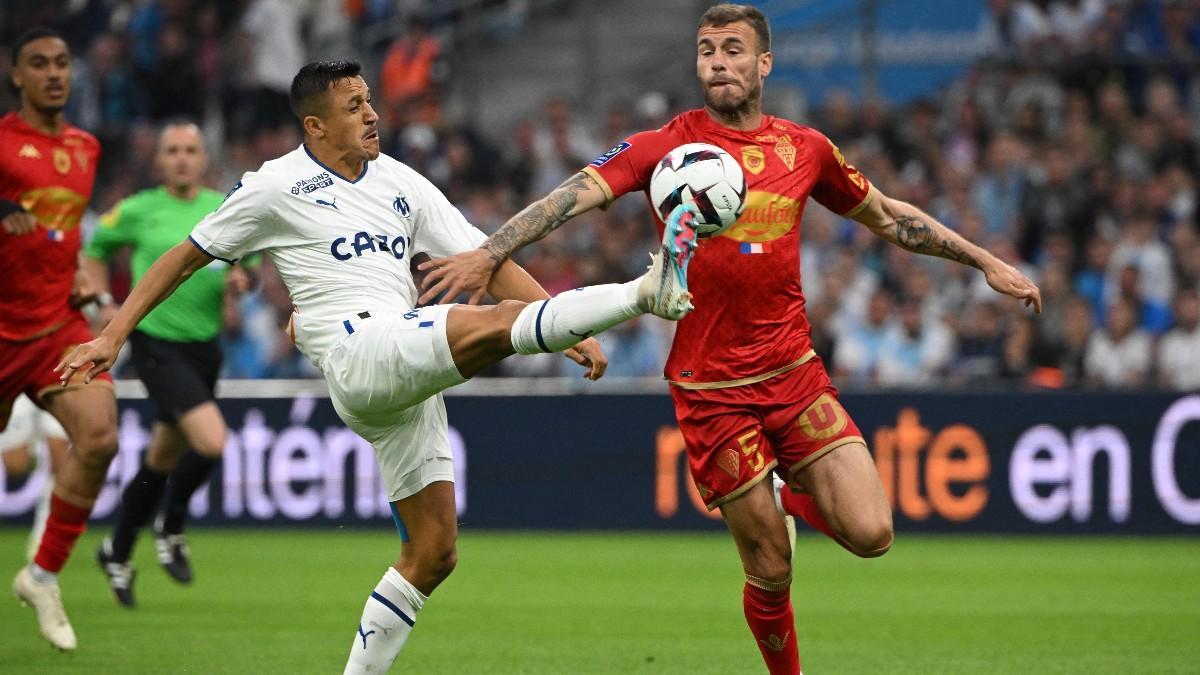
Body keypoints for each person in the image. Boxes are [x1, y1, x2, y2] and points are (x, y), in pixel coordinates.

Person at [416, 5, 1042, 674]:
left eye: (733, 49)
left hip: (793, 372)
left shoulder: (806, 150)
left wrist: (984, 261)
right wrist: (491, 252)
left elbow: (889, 216)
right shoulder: (666, 147)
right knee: (771, 567)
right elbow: (572, 194)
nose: (717, 61)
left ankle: (789, 493)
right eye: (707, 49)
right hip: (712, 391)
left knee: (873, 532)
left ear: (763, 64)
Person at [57, 60, 700, 673]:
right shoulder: (274, 186)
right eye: (354, 106)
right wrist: (113, 337)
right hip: (358, 349)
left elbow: (483, 257)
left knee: (433, 552)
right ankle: (647, 291)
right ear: (315, 125)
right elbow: (184, 256)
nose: (371, 114)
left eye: (369, 100)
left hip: (401, 377)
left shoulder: (401, 180)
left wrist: (560, 327)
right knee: (489, 321)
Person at [84, 121, 251, 607]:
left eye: (190, 150)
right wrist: (101, 302)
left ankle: (116, 549)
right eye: (172, 150)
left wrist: (242, 283)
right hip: (156, 345)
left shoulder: (225, 207)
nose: (181, 158)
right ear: (158, 161)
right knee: (212, 441)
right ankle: (172, 525)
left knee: (160, 459)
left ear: (204, 159)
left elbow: (250, 263)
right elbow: (94, 252)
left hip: (205, 348)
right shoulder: (136, 210)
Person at [2, 27, 117, 652]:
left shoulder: (86, 147)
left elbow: (60, 233)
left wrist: (75, 276)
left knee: (100, 436)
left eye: (62, 64)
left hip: (55, 329)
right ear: (16, 75)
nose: (54, 73)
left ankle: (42, 575)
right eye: (38, 64)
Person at [0, 393, 69, 562]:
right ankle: (35, 447)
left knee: (59, 459)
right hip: (19, 387)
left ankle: (42, 536)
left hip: (55, 380)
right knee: (16, 465)